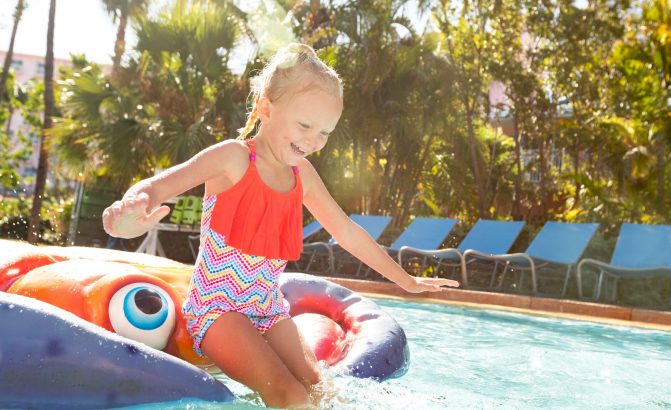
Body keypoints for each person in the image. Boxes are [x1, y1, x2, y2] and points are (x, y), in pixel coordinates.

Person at [102, 43, 459, 408]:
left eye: (325, 133)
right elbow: (158, 186)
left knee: (322, 391)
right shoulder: (234, 158)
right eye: (304, 125)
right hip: (217, 308)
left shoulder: (301, 174)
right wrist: (129, 214)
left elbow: (346, 231)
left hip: (268, 307)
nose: (312, 140)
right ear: (267, 108)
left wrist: (406, 281)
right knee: (289, 395)